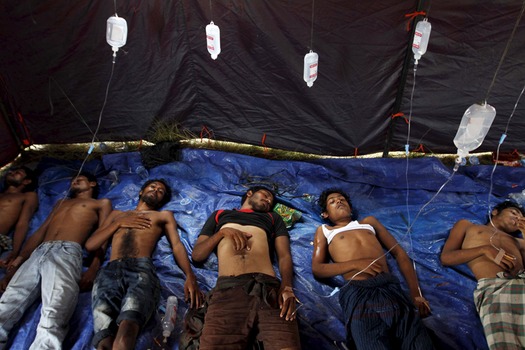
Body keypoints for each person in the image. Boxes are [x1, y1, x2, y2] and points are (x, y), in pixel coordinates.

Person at [85, 179, 203, 350]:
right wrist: (119, 223)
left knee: (129, 327)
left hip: (140, 269)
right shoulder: (116, 215)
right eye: (152, 187)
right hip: (109, 270)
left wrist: (190, 276)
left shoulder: (163, 216)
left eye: (161, 191)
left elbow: (177, 245)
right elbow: (92, 245)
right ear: (141, 192)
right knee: (103, 335)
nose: (156, 191)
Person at [0, 172, 111, 350]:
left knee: (56, 307)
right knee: (8, 301)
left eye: (81, 179)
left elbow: (103, 236)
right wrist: (19, 261)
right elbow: (40, 232)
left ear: (92, 184)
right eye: (73, 178)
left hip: (67, 251)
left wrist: (93, 268)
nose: (75, 180)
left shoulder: (100, 203)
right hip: (40, 250)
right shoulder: (61, 203)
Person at [311, 188, 433, 350]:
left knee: (419, 342)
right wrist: (356, 264)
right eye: (332, 202)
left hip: (389, 288)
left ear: (351, 208)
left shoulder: (368, 223)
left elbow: (400, 254)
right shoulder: (325, 231)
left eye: (342, 199)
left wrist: (416, 294)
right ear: (325, 214)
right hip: (358, 292)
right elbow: (317, 268)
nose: (339, 201)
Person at [191, 186, 301, 349]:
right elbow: (197, 255)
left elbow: (284, 256)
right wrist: (222, 233)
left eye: (271, 199)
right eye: (265, 195)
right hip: (228, 290)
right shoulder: (220, 215)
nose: (269, 200)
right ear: (249, 193)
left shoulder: (272, 218)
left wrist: (287, 287)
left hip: (269, 291)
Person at [441, 200, 525, 349]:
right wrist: (484, 249)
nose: (517, 217)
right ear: (495, 212)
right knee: (507, 342)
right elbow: (446, 257)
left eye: (521, 216)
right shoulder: (468, 226)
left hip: (521, 282)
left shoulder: (517, 241)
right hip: (495, 289)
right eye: (513, 212)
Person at [0, 166, 38, 266]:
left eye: (18, 172)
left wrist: (15, 252)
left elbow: (22, 223)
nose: (12, 172)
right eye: (12, 171)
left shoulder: (27, 196)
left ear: (26, 181)